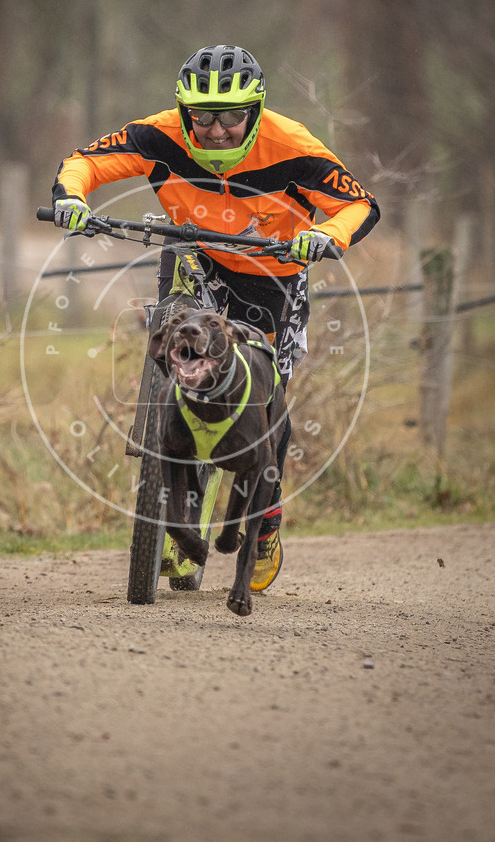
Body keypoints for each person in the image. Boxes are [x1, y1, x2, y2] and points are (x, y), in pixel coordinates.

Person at [52, 44, 380, 590]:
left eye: (232, 116)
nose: (218, 130)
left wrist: (325, 234)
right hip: (192, 254)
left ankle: (266, 519)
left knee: (263, 398)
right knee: (170, 356)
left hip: (271, 273)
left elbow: (360, 204)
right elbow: (86, 160)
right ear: (184, 111)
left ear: (255, 110)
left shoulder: (292, 146)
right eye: (203, 117)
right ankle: (169, 500)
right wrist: (72, 197)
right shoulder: (158, 135)